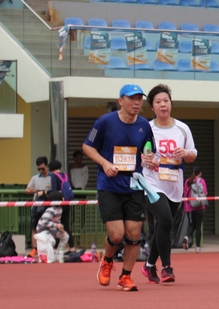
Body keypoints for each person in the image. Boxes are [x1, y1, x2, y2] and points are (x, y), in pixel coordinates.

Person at [83, 83, 157, 292]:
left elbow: (149, 151)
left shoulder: (144, 125)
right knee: (117, 235)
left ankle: (125, 276)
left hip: (134, 184)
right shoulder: (105, 122)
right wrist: (105, 163)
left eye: (139, 99)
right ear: (121, 101)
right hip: (109, 185)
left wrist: (149, 159)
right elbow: (87, 146)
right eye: (132, 98)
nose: (136, 103)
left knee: (134, 234)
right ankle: (107, 260)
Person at [141, 84, 197, 284]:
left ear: (171, 104)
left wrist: (185, 153)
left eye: (166, 101)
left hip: (174, 182)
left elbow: (192, 154)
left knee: (163, 226)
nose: (163, 105)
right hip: (151, 181)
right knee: (165, 220)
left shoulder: (182, 129)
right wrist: (145, 160)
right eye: (158, 102)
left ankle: (149, 265)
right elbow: (138, 154)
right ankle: (166, 267)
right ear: (152, 107)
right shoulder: (146, 128)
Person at [25, 156, 51, 257]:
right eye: (39, 169)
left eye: (42, 168)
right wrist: (36, 191)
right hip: (36, 206)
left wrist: (45, 192)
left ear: (47, 166)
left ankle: (48, 248)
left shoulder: (52, 177)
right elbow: (27, 190)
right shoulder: (35, 178)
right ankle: (34, 249)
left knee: (48, 228)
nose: (41, 171)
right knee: (34, 228)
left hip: (48, 206)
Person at [48, 160, 76, 252]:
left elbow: (54, 190)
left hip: (59, 204)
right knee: (66, 225)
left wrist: (46, 192)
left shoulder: (53, 176)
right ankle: (72, 248)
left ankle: (55, 249)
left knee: (57, 225)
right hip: (67, 203)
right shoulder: (65, 175)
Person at [34, 190, 69, 262]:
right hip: (43, 230)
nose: (63, 199)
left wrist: (60, 229)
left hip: (52, 230)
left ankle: (58, 254)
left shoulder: (60, 209)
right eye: (62, 198)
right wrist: (56, 225)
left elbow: (57, 221)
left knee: (65, 236)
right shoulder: (51, 210)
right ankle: (48, 255)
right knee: (52, 241)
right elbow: (44, 222)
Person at [183, 165, 207, 253]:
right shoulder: (201, 181)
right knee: (198, 227)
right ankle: (197, 247)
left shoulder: (187, 181)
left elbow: (185, 194)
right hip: (200, 206)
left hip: (189, 207)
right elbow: (205, 192)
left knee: (191, 225)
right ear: (200, 173)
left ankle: (186, 237)